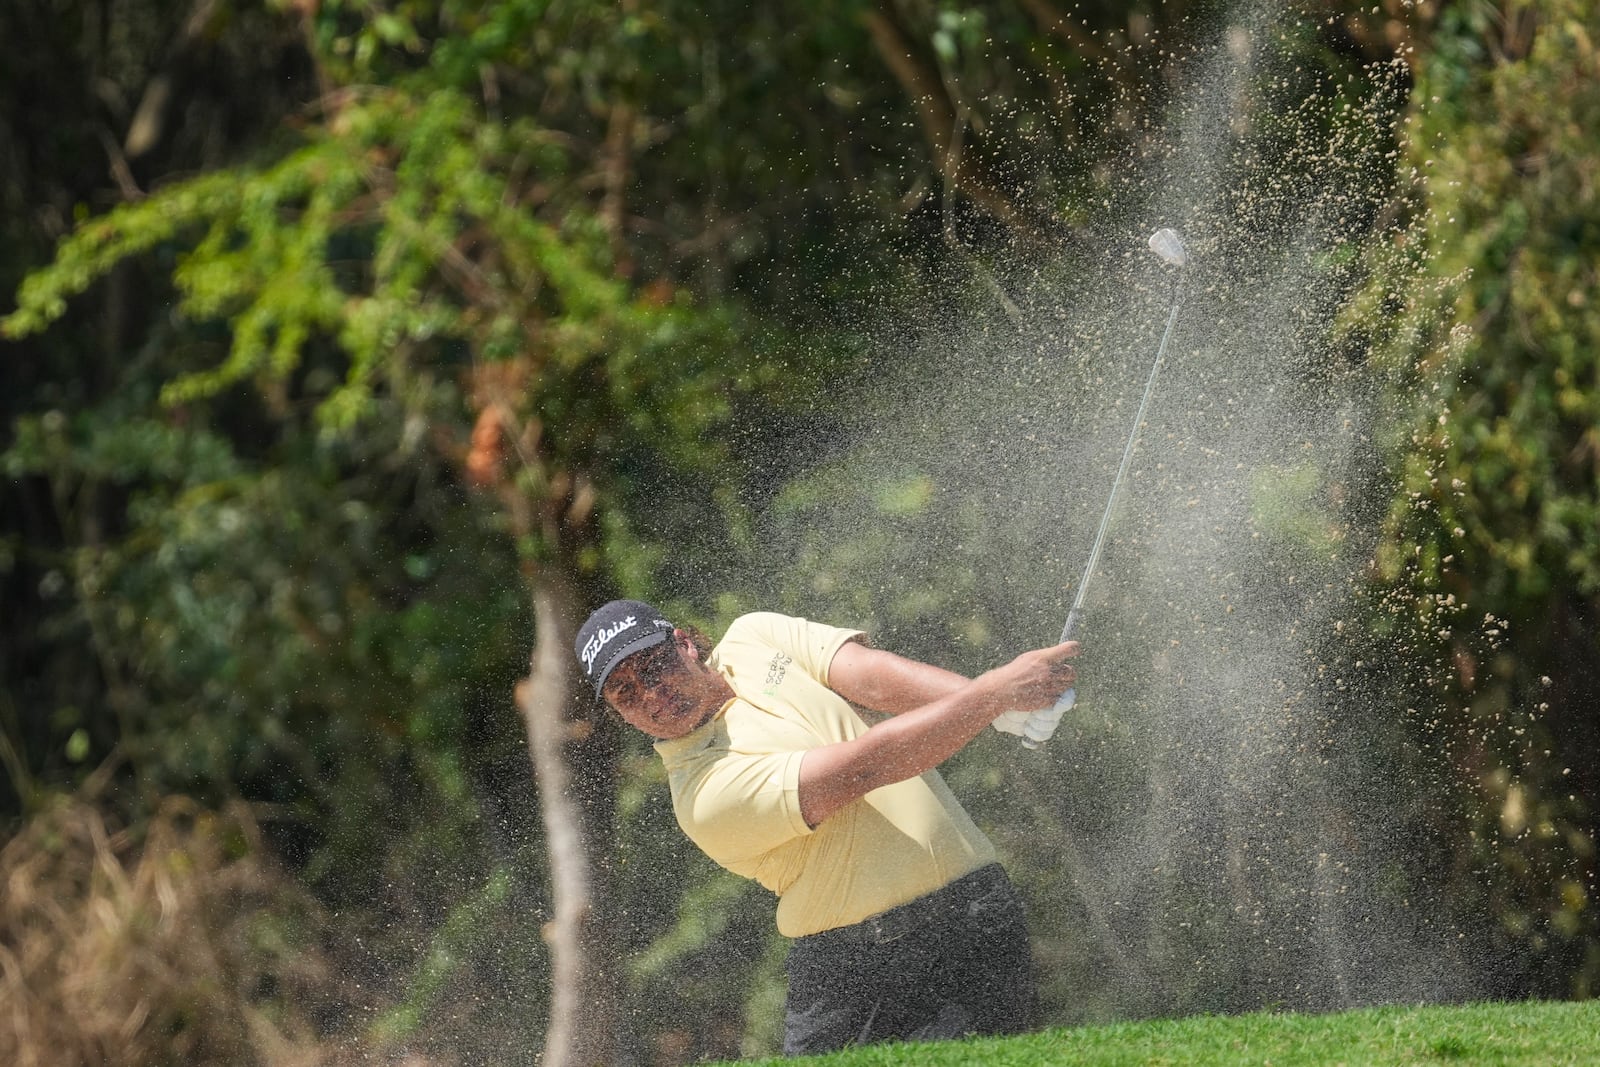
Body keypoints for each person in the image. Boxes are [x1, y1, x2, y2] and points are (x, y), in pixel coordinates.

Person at [573, 600, 1080, 1054]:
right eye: (626, 693)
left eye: (655, 665)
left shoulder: (754, 637)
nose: (653, 693)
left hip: (978, 920)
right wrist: (991, 697)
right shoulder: (703, 794)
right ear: (619, 714)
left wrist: (1002, 705)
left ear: (683, 643)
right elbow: (867, 766)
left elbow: (872, 676)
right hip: (859, 975)